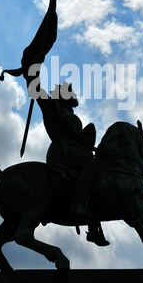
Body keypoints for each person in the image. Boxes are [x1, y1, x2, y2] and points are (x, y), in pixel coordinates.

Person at [34, 79, 109, 246]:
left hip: (76, 148)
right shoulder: (53, 106)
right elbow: (36, 89)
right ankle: (76, 206)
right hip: (64, 149)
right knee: (90, 167)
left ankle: (94, 228)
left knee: (97, 178)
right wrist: (32, 69)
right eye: (71, 92)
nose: (75, 95)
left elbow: (79, 136)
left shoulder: (72, 115)